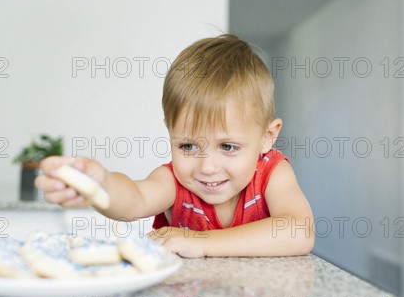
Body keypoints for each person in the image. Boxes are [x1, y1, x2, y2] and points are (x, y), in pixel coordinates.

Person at [36, 34, 314, 257]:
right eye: (189, 146)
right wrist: (99, 185)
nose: (207, 167)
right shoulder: (175, 182)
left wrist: (201, 242)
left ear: (268, 137)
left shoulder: (271, 174)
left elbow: (298, 231)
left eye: (228, 147)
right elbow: (133, 200)